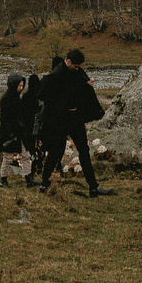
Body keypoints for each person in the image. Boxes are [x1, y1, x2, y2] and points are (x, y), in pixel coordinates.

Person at [35, 47, 105, 197]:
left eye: (79, 66)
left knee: (84, 151)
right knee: (55, 151)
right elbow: (47, 95)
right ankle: (44, 183)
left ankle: (93, 186)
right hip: (60, 120)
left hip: (75, 118)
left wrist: (88, 84)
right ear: (68, 61)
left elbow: (79, 87)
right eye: (75, 66)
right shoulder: (56, 75)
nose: (77, 68)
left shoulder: (76, 72)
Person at [0, 73, 36, 187]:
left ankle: (28, 179)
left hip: (19, 131)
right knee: (7, 157)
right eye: (19, 85)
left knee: (26, 154)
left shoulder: (16, 97)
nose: (21, 88)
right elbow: (4, 118)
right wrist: (10, 132)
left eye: (22, 85)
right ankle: (3, 180)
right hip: (9, 133)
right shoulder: (6, 99)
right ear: (13, 85)